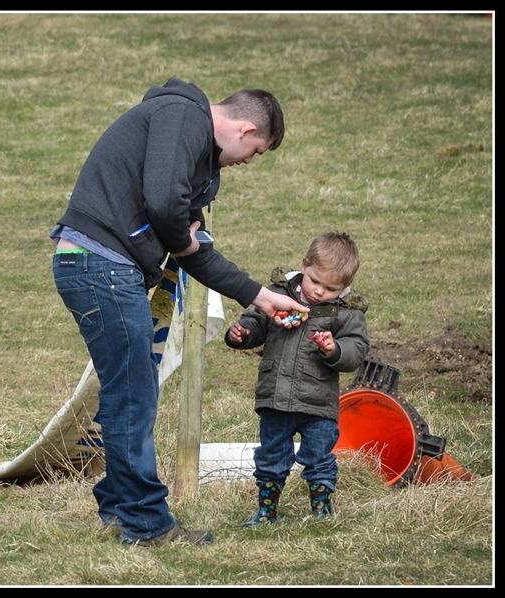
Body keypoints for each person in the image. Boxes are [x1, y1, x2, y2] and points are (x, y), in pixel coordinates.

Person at [50, 77, 308, 547]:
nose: (248, 162)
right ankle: (147, 525)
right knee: (134, 396)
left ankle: (118, 506)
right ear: (246, 130)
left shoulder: (191, 156)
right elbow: (165, 206)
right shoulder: (183, 115)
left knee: (128, 391)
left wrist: (260, 297)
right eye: (256, 153)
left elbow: (192, 248)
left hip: (100, 266)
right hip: (101, 267)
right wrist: (181, 232)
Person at [224, 232, 370, 527]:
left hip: (318, 405)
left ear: (345, 287)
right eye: (315, 281)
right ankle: (266, 511)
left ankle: (321, 509)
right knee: (271, 457)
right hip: (276, 397)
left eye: (331, 288)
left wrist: (335, 348)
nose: (319, 292)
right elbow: (256, 321)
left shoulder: (346, 313)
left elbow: (356, 351)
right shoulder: (278, 294)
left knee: (319, 457)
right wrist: (242, 334)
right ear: (304, 265)